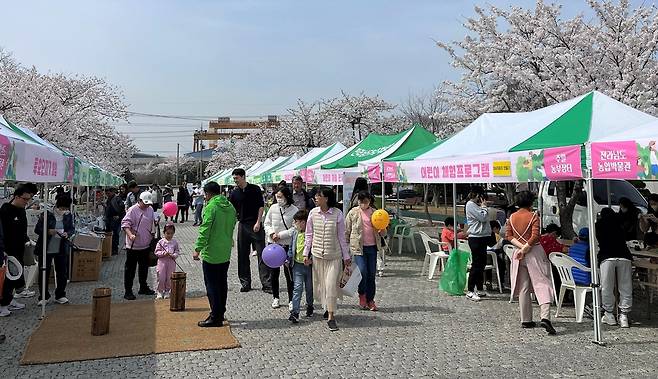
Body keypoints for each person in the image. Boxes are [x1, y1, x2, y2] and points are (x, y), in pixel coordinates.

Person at [505, 191, 556, 335]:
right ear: (529, 203)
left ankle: (526, 319)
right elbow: (535, 236)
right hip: (534, 252)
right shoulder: (534, 216)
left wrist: (521, 248)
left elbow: (508, 235)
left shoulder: (512, 217)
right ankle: (545, 316)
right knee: (543, 283)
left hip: (518, 254)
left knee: (524, 286)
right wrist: (526, 248)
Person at [304, 187, 351, 331]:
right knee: (321, 286)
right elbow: (309, 235)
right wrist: (306, 253)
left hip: (334, 256)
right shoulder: (312, 213)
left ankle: (331, 316)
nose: (316, 198)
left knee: (331, 285)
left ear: (327, 198)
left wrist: (346, 256)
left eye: (319, 196)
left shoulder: (338, 214)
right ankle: (326, 307)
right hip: (318, 255)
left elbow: (342, 237)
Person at [194, 182, 237, 327]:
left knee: (211, 285)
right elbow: (232, 225)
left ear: (207, 194)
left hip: (211, 252)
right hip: (225, 250)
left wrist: (197, 248)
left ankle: (215, 316)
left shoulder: (211, 207)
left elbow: (205, 230)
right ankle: (221, 311)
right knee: (222, 283)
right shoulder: (230, 206)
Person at [0, 183, 38, 315]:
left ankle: (9, 300)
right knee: (8, 278)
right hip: (7, 251)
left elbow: (22, 230)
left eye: (29, 199)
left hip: (19, 249)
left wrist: (27, 240)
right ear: (16, 196)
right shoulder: (5, 210)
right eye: (25, 199)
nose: (27, 202)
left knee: (16, 275)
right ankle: (3, 304)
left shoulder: (22, 211)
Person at [229, 168, 267, 293]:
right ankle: (245, 282)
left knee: (262, 254)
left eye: (237, 178)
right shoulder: (234, 193)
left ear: (243, 177)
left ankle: (266, 283)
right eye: (234, 178)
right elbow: (232, 211)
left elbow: (261, 206)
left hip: (255, 224)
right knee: (242, 255)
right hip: (243, 225)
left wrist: (258, 222)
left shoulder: (255, 189)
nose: (235, 180)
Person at [345, 190, 384, 311]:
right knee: (362, 272)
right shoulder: (353, 213)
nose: (363, 204)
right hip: (358, 248)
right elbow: (347, 230)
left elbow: (383, 229)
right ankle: (362, 294)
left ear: (370, 201)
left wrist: (383, 232)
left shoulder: (375, 213)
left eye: (366, 201)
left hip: (372, 247)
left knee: (371, 274)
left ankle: (370, 299)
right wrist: (345, 248)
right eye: (361, 201)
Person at [595, 208, 633, 328]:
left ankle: (609, 314)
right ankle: (624, 316)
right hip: (624, 255)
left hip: (607, 256)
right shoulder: (619, 222)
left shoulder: (599, 224)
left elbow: (598, 239)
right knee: (625, 286)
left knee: (607, 287)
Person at [35, 195, 75, 305]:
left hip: (61, 246)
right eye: (62, 208)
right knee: (44, 271)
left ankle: (60, 294)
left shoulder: (68, 215)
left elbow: (71, 228)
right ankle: (43, 296)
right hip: (46, 246)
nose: (64, 211)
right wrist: (48, 231)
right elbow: (37, 229)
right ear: (57, 206)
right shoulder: (47, 214)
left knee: (62, 272)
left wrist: (68, 233)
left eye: (66, 208)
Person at [263, 187, 298, 309]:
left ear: (287, 197)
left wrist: (281, 235)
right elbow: (266, 223)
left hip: (286, 244)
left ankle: (291, 299)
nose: (279, 199)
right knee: (273, 272)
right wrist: (272, 233)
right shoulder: (273, 208)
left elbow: (295, 228)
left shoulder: (294, 210)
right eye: (277, 197)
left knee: (289, 273)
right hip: (273, 244)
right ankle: (276, 297)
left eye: (281, 197)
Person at [121, 191, 158, 300]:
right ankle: (128, 290)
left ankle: (143, 287)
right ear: (139, 201)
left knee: (144, 267)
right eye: (145, 203)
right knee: (130, 269)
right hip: (133, 246)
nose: (146, 205)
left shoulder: (150, 209)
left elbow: (151, 222)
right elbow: (125, 224)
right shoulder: (132, 210)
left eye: (148, 203)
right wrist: (130, 234)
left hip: (145, 245)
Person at [465, 187, 491, 301]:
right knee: (476, 264)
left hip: (483, 236)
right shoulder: (470, 205)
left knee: (482, 263)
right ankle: (470, 290)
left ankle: (480, 288)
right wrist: (484, 207)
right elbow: (483, 217)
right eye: (480, 196)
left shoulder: (476, 206)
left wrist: (483, 207)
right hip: (476, 237)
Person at [287, 209, 313, 323]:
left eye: (296, 222)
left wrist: (312, 259)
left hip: (310, 267)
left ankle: (310, 305)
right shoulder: (295, 233)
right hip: (297, 265)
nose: (295, 224)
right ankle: (295, 312)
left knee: (309, 288)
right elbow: (291, 247)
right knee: (297, 288)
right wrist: (288, 257)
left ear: (303, 222)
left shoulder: (312, 233)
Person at [154, 222, 180, 299]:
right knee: (161, 277)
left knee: (169, 277)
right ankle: (160, 291)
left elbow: (177, 251)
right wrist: (163, 253)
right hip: (162, 262)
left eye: (171, 233)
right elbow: (156, 252)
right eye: (168, 233)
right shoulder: (160, 242)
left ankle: (167, 290)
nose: (169, 235)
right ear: (164, 233)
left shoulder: (175, 242)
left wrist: (174, 255)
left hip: (171, 262)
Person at [105, 188, 125, 256]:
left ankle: (115, 250)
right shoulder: (109, 199)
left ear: (112, 192)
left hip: (115, 219)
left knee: (115, 234)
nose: (107, 195)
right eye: (106, 194)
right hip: (109, 219)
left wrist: (118, 216)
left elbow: (122, 208)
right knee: (110, 234)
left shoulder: (117, 198)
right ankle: (110, 249)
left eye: (108, 193)